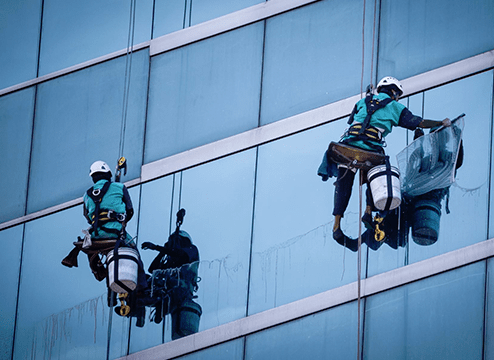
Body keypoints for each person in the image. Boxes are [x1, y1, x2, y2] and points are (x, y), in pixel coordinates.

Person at [327, 76, 451, 245]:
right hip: (370, 147)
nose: (397, 97)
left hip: (346, 146)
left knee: (345, 179)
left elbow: (354, 120)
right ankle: (369, 212)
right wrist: (440, 122)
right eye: (397, 94)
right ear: (393, 92)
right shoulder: (395, 106)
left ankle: (337, 224)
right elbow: (419, 123)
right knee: (379, 173)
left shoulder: (362, 101)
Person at [83, 160, 135, 246]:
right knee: (134, 250)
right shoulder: (120, 187)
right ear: (108, 174)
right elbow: (130, 211)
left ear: (93, 177)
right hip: (115, 232)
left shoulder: (86, 195)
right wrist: (121, 221)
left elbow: (87, 217)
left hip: (95, 236)